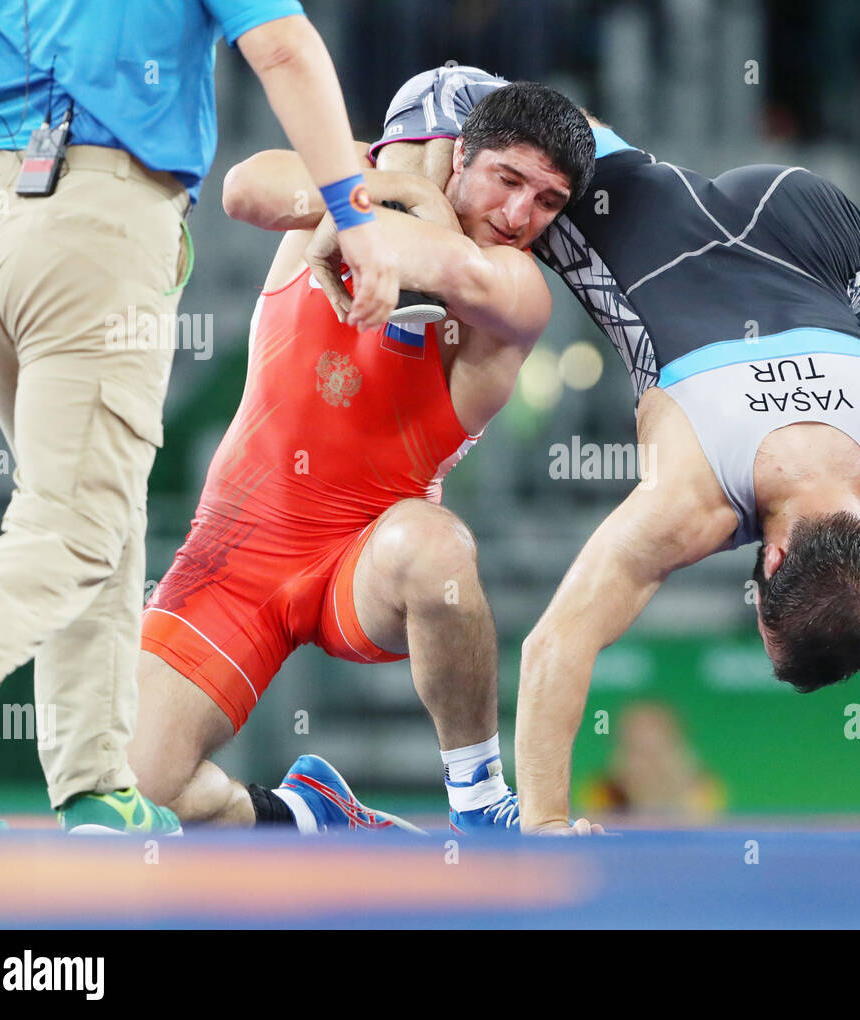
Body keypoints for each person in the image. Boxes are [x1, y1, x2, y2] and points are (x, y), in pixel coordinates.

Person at [230, 65, 860, 836]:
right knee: (434, 223)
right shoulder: (704, 492)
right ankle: (356, 209)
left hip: (799, 222)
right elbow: (554, 645)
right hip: (535, 144)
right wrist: (542, 824)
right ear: (772, 564)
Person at [0, 2, 411, 835]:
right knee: (71, 529)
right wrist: (355, 215)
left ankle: (98, 787)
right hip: (93, 214)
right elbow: (281, 46)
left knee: (103, 512)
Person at [128, 83, 594, 834]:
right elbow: (244, 190)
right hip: (237, 555)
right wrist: (400, 186)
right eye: (506, 181)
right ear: (458, 157)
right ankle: (308, 816)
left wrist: (375, 211)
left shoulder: (515, 287)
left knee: (436, 546)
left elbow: (455, 271)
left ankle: (478, 801)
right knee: (138, 790)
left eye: (547, 201)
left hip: (366, 561)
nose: (517, 218)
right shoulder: (357, 176)